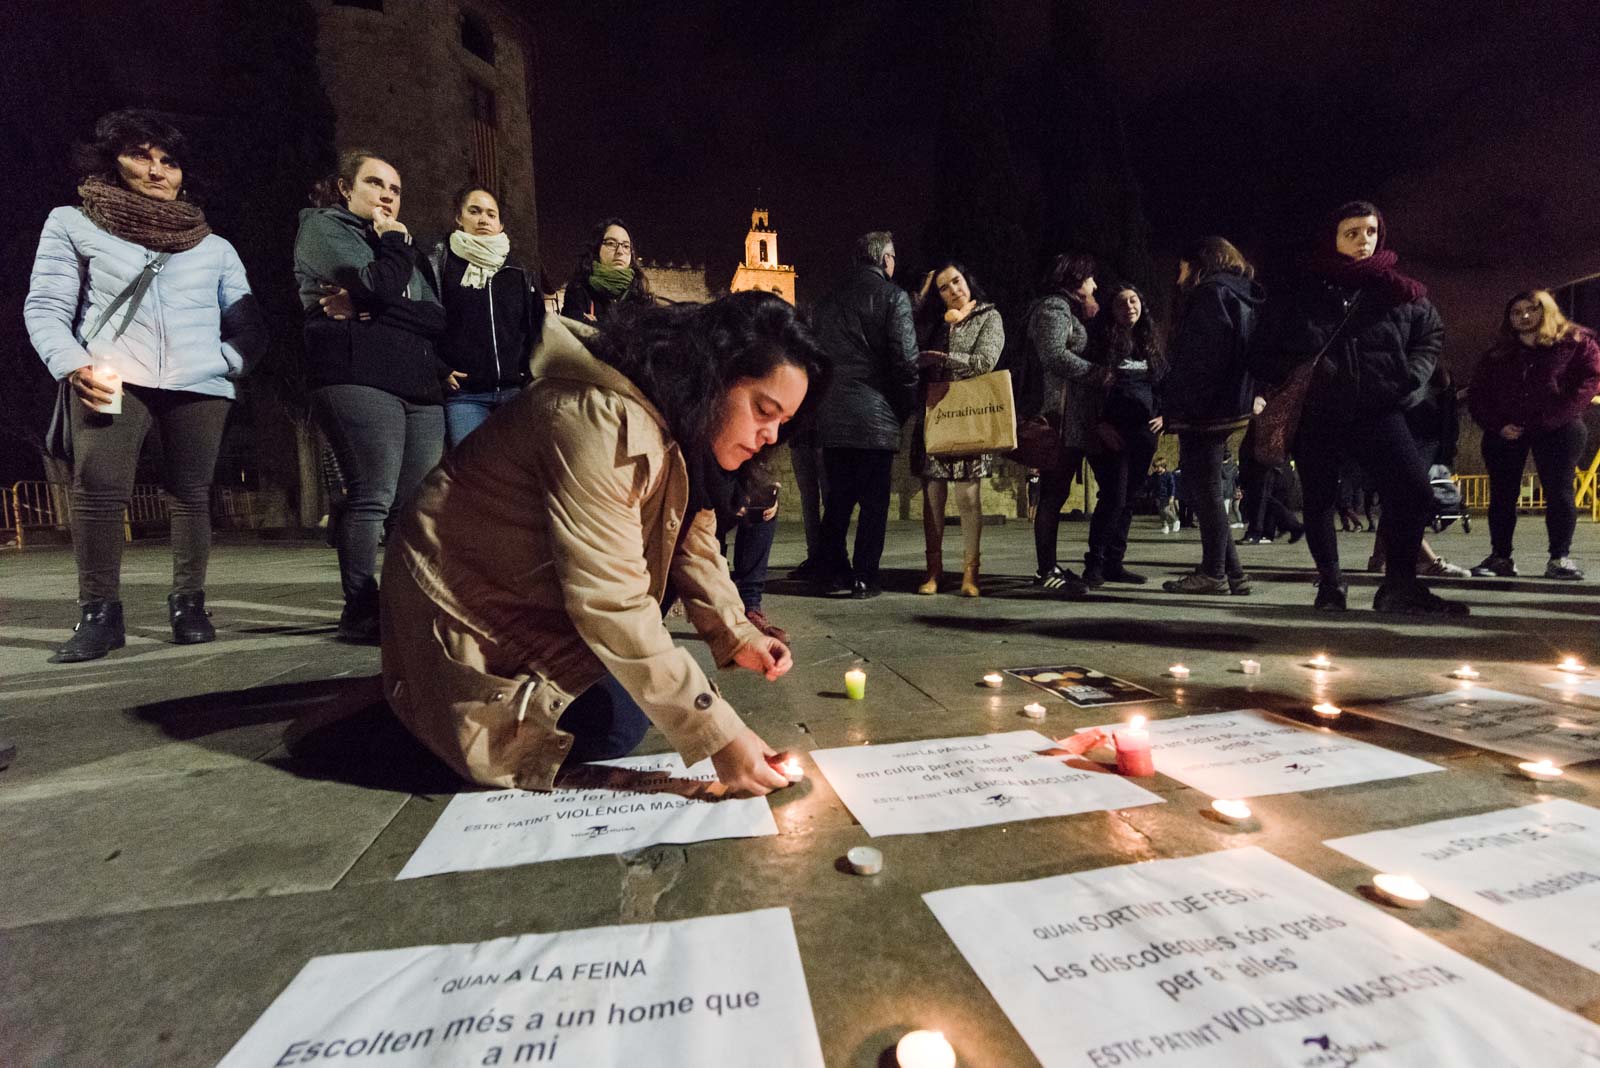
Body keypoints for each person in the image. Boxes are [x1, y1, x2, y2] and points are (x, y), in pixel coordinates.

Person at [379, 293, 827, 794]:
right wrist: (723, 738)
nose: (770, 435)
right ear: (715, 373)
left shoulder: (681, 420)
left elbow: (692, 539)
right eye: (764, 410)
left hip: (521, 595)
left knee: (627, 711)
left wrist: (737, 632)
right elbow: (610, 601)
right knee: (614, 722)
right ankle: (419, 707)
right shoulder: (599, 418)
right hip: (457, 604)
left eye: (783, 423)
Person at [24, 109, 266, 663]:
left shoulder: (214, 246)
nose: (157, 170)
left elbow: (251, 323)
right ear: (113, 161)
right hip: (112, 377)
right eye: (141, 155)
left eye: (169, 161)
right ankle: (100, 617)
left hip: (199, 383)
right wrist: (72, 364)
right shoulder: (72, 222)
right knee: (99, 493)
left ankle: (189, 606)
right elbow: (46, 307)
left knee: (190, 495)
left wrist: (223, 361)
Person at [1251, 200, 1462, 615]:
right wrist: (1307, 371)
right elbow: (1260, 351)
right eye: (1352, 233)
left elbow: (1430, 335)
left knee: (1415, 491)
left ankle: (1399, 585)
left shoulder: (1400, 290)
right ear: (1333, 238)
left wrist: (1410, 379)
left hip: (1380, 407)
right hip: (1320, 412)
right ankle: (1331, 584)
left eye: (1370, 232)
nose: (1363, 241)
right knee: (1319, 499)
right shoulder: (1302, 291)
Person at [293, 149, 447, 641]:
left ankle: (404, 604)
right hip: (356, 375)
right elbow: (379, 286)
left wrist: (365, 304)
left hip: (418, 386)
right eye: (375, 184)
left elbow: (435, 317)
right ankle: (360, 610)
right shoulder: (323, 229)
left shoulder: (394, 244)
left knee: (413, 505)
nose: (387, 196)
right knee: (372, 494)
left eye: (395, 190)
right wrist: (392, 256)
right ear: (345, 188)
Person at [811, 231, 920, 598]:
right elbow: (905, 362)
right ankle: (864, 577)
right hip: (876, 416)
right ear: (885, 260)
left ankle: (830, 571)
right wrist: (904, 407)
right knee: (874, 503)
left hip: (833, 415)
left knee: (838, 499)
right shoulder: (894, 297)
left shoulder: (825, 303)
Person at [1468, 288, 1600, 580]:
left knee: (1559, 491)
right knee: (1502, 494)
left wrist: (1554, 419)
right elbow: (1478, 394)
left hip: (1558, 427)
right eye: (1516, 312)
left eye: (1532, 309)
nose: (1524, 316)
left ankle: (1559, 558)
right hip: (1506, 429)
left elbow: (1589, 381)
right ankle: (1500, 557)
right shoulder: (1497, 353)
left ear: (1547, 309)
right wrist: (1497, 424)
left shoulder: (1576, 343)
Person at [1160, 236, 1263, 595]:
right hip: (1231, 404)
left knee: (1202, 492)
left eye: (1182, 269)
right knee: (1206, 490)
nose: (1178, 278)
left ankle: (1213, 573)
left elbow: (1201, 357)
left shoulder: (1209, 294)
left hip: (1205, 408)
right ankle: (1234, 574)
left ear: (1200, 264)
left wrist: (1181, 404)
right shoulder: (1243, 293)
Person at [911, 261, 1004, 597]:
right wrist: (920, 297)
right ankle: (933, 572)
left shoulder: (988, 316)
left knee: (968, 495)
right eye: (944, 287)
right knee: (933, 497)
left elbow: (985, 362)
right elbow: (907, 339)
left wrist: (943, 359)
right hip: (935, 412)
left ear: (968, 281)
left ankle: (970, 574)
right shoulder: (933, 322)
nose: (953, 290)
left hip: (968, 412)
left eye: (957, 281)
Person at [429, 186, 542, 447]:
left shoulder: (517, 271)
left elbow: (537, 329)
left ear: (500, 224)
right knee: (473, 476)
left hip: (515, 393)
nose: (483, 220)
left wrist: (531, 375)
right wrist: (440, 367)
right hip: (465, 397)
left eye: (491, 214)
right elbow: (426, 321)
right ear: (459, 217)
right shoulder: (441, 264)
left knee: (516, 475)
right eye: (474, 211)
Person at [1080, 284, 1165, 588]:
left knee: (1129, 498)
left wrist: (1164, 415)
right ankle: (1095, 565)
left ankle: (1115, 563)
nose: (1129, 306)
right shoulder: (1101, 343)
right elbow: (1086, 390)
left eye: (1134, 300)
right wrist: (1098, 423)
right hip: (1110, 433)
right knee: (1114, 496)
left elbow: (1164, 386)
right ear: (1111, 310)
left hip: (1144, 434)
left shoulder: (1151, 344)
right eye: (1121, 303)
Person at [1026, 252, 1099, 595]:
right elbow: (1053, 354)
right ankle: (1045, 570)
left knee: (1058, 492)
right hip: (1057, 413)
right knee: (1053, 494)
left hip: (1069, 416)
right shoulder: (1053, 308)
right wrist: (1095, 373)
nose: (1095, 285)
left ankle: (1050, 565)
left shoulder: (1064, 309)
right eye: (1090, 279)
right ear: (1075, 279)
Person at [560, 217, 651, 323]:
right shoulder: (579, 290)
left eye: (626, 246)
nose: (620, 251)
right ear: (596, 248)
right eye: (611, 243)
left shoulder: (640, 294)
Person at [1148, 458, 1180, 533]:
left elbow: (1172, 486)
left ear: (1162, 466)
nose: (1155, 468)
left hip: (1167, 496)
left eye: (1157, 467)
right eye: (1154, 467)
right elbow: (1151, 484)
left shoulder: (1169, 475)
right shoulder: (1154, 475)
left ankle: (1176, 520)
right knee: (1161, 512)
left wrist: (1172, 496)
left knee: (1165, 510)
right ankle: (1164, 525)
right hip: (1157, 496)